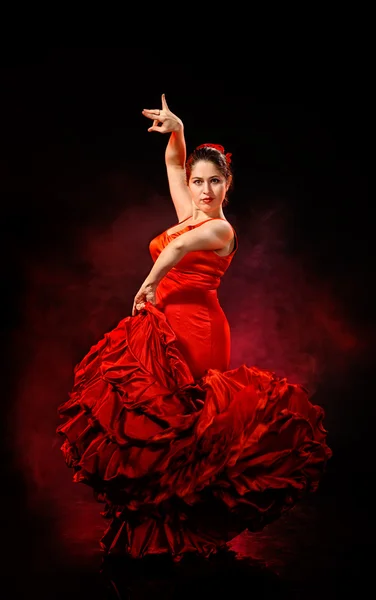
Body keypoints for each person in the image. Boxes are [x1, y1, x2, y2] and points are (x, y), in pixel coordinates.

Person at [57, 94, 332, 564]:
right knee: (155, 420)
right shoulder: (189, 211)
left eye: (214, 183)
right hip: (167, 323)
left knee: (186, 421)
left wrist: (147, 284)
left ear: (228, 186)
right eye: (198, 182)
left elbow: (176, 252)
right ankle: (156, 524)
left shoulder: (220, 230)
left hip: (199, 327)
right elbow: (173, 166)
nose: (205, 191)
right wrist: (178, 131)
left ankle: (185, 526)